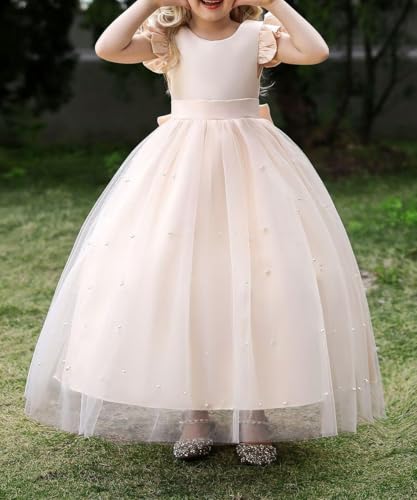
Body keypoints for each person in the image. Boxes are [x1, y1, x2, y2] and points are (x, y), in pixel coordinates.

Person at [24, 0, 386, 466]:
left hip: (253, 172)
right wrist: (150, 3)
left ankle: (253, 414)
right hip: (183, 174)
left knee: (255, 283)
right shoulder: (168, 37)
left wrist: (274, 3)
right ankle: (194, 413)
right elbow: (107, 48)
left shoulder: (256, 35)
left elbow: (315, 51)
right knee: (188, 284)